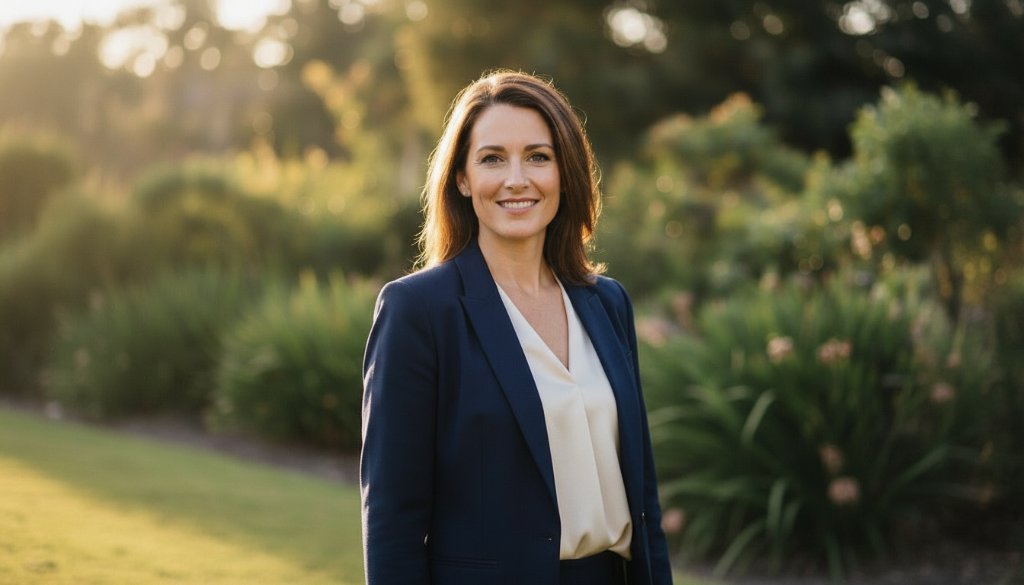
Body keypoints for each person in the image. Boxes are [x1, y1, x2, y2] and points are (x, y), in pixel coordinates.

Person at [361, 70, 673, 585]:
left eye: (538, 156)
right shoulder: (418, 311)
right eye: (491, 159)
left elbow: (644, 497)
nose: (516, 179)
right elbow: (392, 520)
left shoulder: (607, 303)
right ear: (462, 179)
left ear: (565, 172)